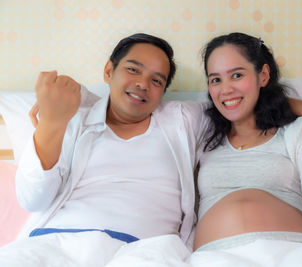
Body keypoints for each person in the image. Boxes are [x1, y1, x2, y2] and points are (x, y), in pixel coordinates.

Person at [0, 33, 209, 266]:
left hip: (142, 250)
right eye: (133, 70)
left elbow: (234, 105)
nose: (143, 84)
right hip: (57, 241)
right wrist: (51, 123)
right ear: (109, 71)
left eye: (157, 81)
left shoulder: (183, 120)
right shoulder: (73, 118)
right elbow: (32, 199)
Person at [188, 32, 302, 266]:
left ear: (263, 75)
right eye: (215, 79)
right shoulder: (201, 133)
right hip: (217, 257)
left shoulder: (298, 132)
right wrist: (297, 104)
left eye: (236, 75)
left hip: (295, 254)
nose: (225, 89)